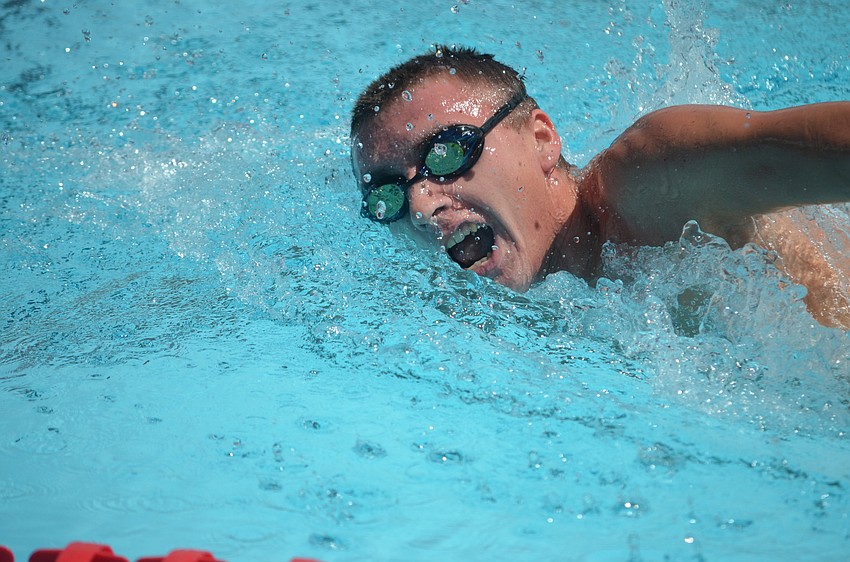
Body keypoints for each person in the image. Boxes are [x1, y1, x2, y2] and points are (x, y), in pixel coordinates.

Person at [350, 45, 850, 327]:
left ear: (541, 140)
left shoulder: (652, 179)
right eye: (387, 195)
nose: (419, 207)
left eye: (446, 153)